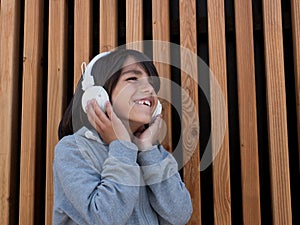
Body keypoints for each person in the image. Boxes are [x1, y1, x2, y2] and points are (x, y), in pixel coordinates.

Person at [53, 48, 192, 225]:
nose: (149, 88)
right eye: (132, 78)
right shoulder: (73, 150)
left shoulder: (152, 152)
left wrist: (148, 150)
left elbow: (179, 214)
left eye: (152, 83)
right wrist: (121, 147)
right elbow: (105, 217)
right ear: (99, 94)